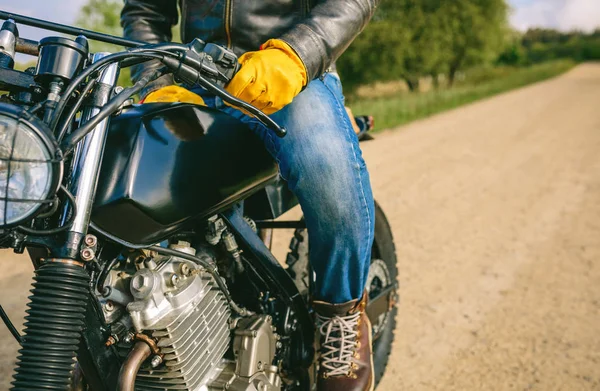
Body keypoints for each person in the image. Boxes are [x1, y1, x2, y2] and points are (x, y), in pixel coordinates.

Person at [121, 1, 379, 390]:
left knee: (325, 165)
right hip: (196, 74)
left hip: (292, 70)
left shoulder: (294, 61)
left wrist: (297, 53)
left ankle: (341, 316)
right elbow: (144, 10)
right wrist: (155, 79)